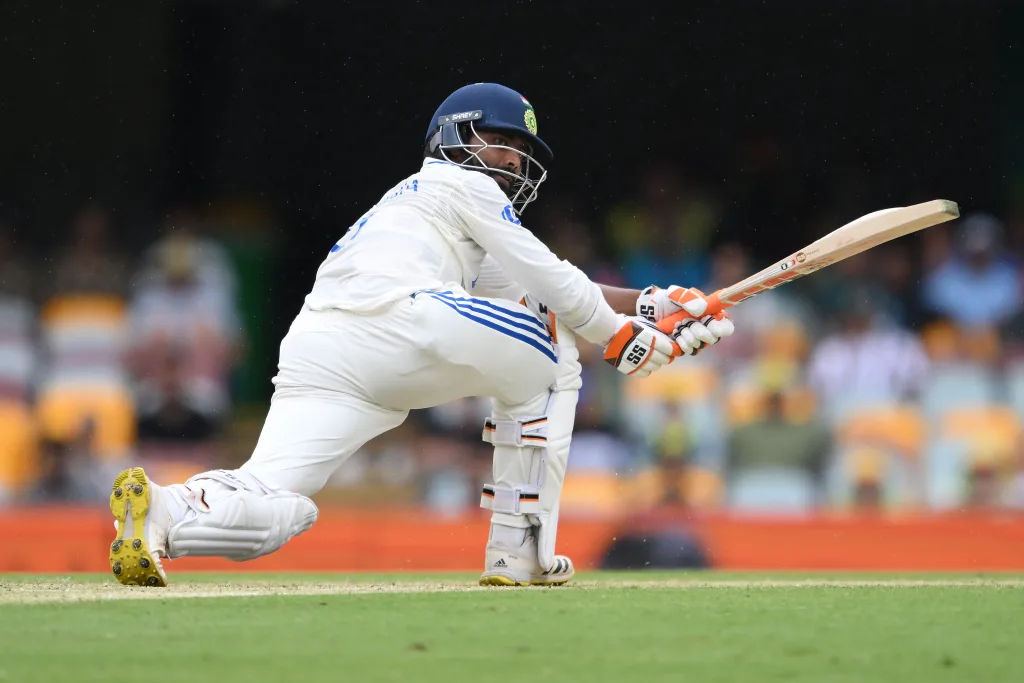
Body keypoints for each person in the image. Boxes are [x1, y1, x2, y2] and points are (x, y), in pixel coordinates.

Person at [106, 83, 735, 588]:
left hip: (322, 346)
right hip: (397, 318)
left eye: (521, 152)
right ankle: (520, 552)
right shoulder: (457, 183)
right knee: (557, 349)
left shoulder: (424, 210)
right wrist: (618, 336)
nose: (514, 160)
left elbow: (536, 288)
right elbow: (553, 281)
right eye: (500, 141)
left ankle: (164, 512)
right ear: (455, 136)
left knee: (277, 501)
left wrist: (653, 305)